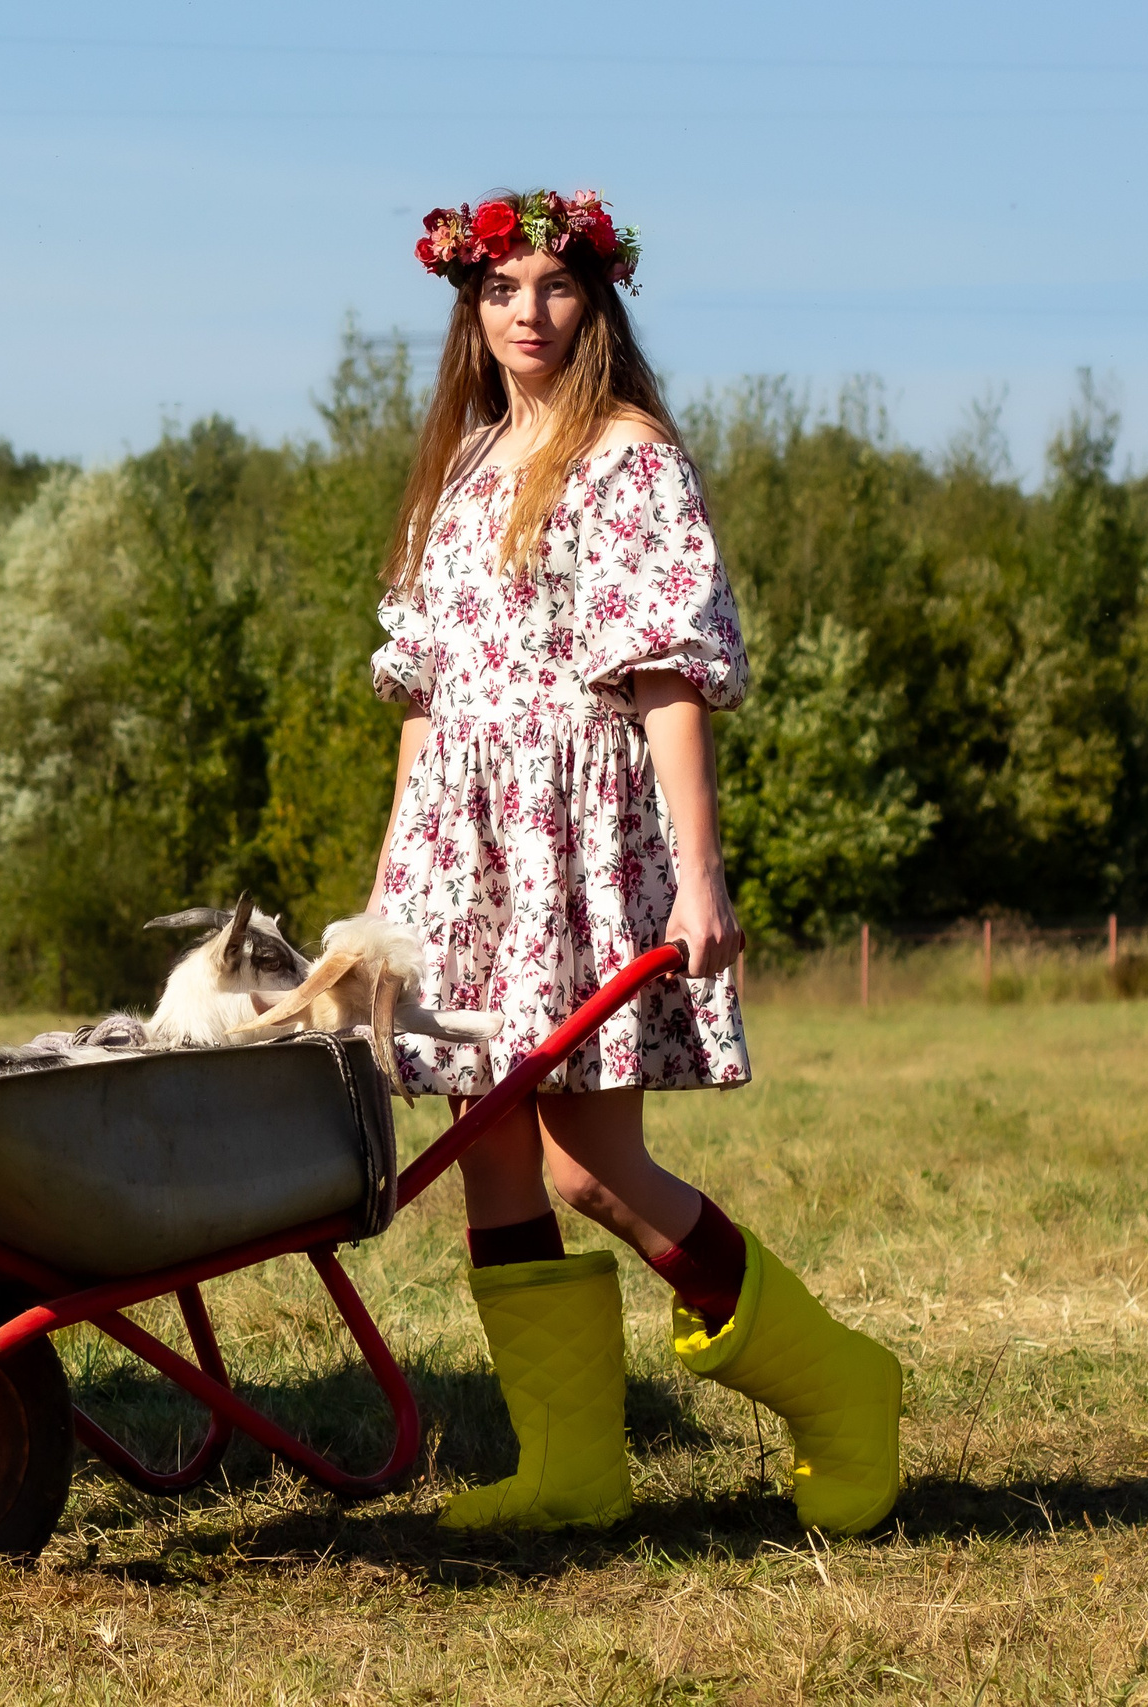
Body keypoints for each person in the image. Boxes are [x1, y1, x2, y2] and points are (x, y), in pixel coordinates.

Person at [369, 190, 900, 1535]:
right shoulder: (461, 468)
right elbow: (423, 699)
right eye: (501, 289)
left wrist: (700, 871)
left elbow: (666, 676)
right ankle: (570, 1469)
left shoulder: (627, 458)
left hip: (579, 829)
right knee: (488, 1149)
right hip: (465, 843)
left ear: (596, 301)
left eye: (555, 286)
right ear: (469, 307)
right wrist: (389, 892)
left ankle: (842, 1386)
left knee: (589, 1166)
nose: (528, 313)